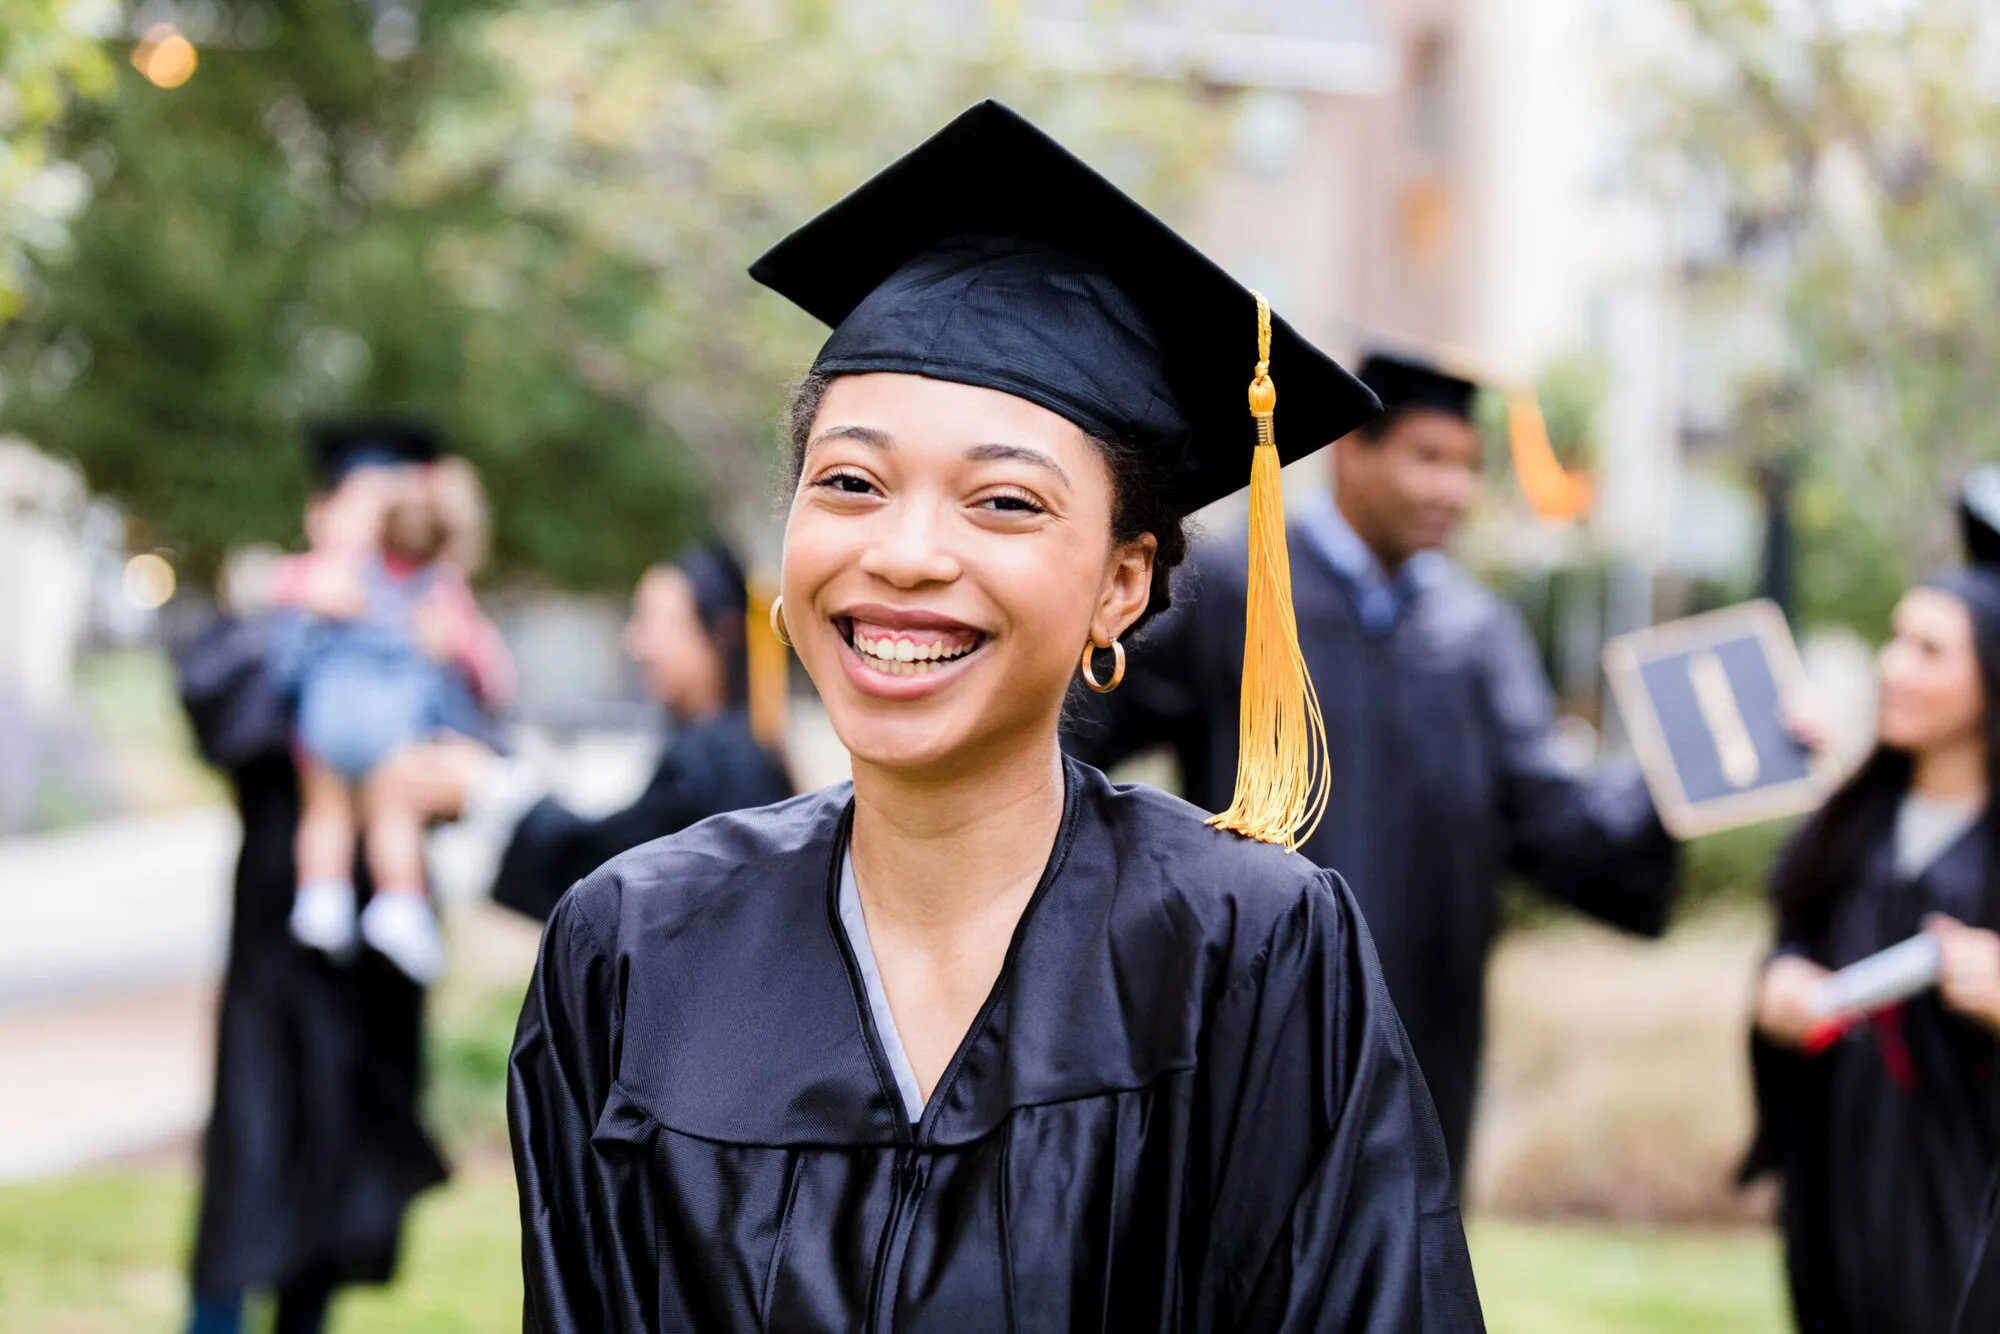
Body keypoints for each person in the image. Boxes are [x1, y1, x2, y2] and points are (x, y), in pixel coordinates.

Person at [508, 101, 1482, 1331]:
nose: (905, 553)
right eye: (850, 482)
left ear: (1120, 582)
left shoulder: (1246, 948)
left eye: (1003, 501)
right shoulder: (631, 947)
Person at [1065, 349, 1680, 1181]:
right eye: (1428, 458)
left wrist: (1681, 773)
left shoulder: (1476, 634)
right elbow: (1071, 742)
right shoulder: (1233, 590)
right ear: (1352, 450)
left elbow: (1556, 823)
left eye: (1468, 467)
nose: (1453, 491)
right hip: (1247, 1016)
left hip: (1422, 1040)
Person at [170, 421, 450, 1334]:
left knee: (343, 1176)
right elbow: (224, 721)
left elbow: (465, 749)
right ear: (320, 512)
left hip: (377, 945)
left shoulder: (425, 613)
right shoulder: (276, 618)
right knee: (250, 1167)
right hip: (278, 938)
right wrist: (303, 620)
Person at [1744, 565, 2000, 1334]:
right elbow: (1790, 943)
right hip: (1838, 1180)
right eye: (1894, 640)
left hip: (1964, 1192)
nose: (1894, 665)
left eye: (1929, 649)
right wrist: (1778, 986)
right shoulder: (1846, 829)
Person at [376, 540, 794, 923]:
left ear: (721, 632)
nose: (636, 645)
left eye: (653, 623)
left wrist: (486, 787)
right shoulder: (730, 752)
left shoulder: (720, 765)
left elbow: (611, 878)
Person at [274, 450, 512, 981]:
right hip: (390, 732)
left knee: (328, 815)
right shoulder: (424, 588)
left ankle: (322, 898)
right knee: (390, 816)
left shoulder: (336, 579)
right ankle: (399, 905)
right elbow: (491, 672)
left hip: (324, 726)